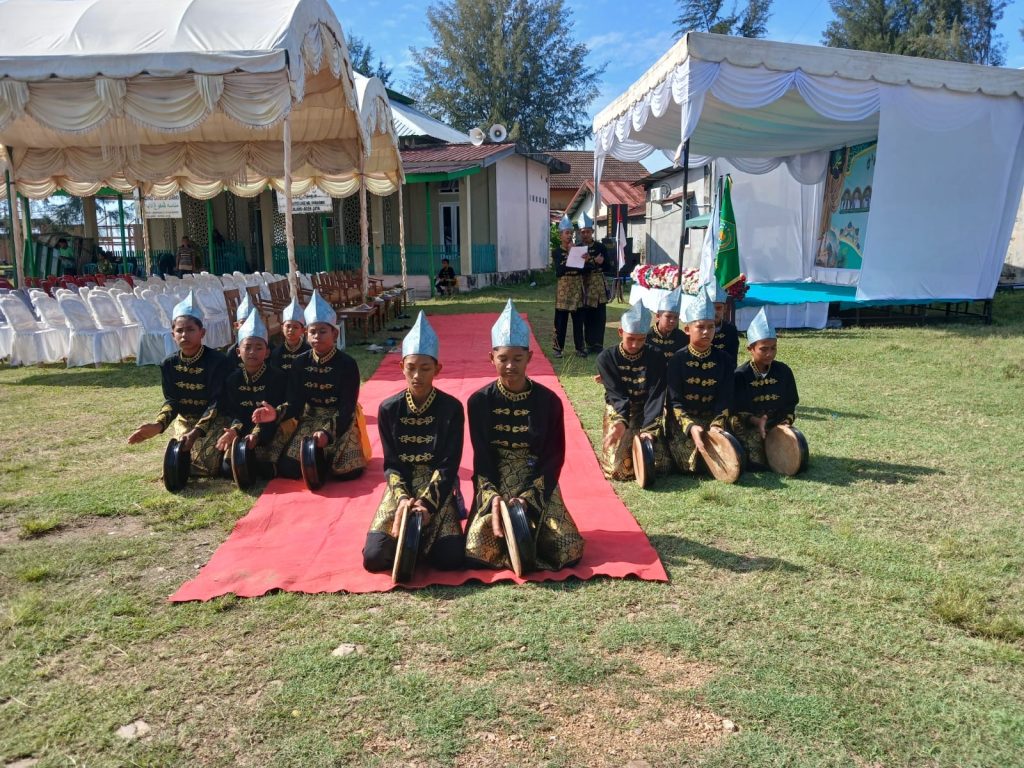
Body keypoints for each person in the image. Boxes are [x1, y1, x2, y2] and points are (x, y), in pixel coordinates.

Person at [465, 299, 585, 570]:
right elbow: (482, 456)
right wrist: (492, 496)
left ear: (529, 358)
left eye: (517, 359)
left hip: (537, 478)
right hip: (496, 479)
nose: (510, 365)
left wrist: (529, 497)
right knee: (477, 553)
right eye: (503, 359)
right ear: (491, 358)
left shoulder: (549, 401)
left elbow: (554, 457)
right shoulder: (479, 402)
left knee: (569, 550)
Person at [362, 312, 466, 573]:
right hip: (402, 488)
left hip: (437, 487)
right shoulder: (389, 409)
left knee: (451, 559)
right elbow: (391, 464)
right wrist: (402, 499)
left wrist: (427, 504)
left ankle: (420, 542)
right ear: (401, 367)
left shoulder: (451, 408)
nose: (417, 375)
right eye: (411, 367)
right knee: (374, 558)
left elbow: (448, 464)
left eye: (425, 368)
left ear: (437, 369)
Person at [127, 291, 231, 477]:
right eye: (179, 331)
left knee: (208, 465)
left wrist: (196, 432)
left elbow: (218, 402)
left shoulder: (218, 361)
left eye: (190, 330)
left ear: (202, 332)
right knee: (179, 458)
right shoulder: (169, 363)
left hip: (215, 420)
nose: (184, 335)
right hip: (185, 420)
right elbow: (172, 400)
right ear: (173, 334)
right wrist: (159, 425)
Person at [275, 290, 367, 481]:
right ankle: (319, 460)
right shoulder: (300, 363)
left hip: (340, 419)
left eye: (323, 331)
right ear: (306, 334)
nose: (317, 336)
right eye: (313, 332)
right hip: (310, 418)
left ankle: (322, 460)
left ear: (335, 333)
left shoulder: (347, 364)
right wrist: (275, 414)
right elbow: (295, 402)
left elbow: (347, 406)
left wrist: (327, 432)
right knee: (289, 468)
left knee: (349, 471)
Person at [596, 301, 671, 481]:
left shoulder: (656, 356)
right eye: (631, 338)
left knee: (661, 465)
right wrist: (621, 422)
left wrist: (649, 428)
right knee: (617, 470)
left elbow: (656, 394)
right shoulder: (606, 358)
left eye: (641, 339)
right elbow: (617, 395)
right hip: (619, 409)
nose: (636, 344)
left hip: (646, 409)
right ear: (620, 332)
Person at [665, 285, 734, 475]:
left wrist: (717, 424)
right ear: (688, 329)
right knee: (688, 465)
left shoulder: (724, 359)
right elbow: (674, 402)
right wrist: (690, 426)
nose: (706, 332)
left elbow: (726, 397)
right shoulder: (677, 360)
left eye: (710, 327)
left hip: (713, 419)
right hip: (685, 420)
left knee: (731, 454)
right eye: (700, 327)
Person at [216, 311, 290, 478]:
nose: (252, 352)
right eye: (247, 347)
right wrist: (234, 431)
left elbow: (279, 411)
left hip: (271, 429)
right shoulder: (233, 380)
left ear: (267, 352)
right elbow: (234, 412)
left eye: (258, 348)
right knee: (228, 469)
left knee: (269, 469)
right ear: (238, 352)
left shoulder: (277, 377)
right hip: (242, 428)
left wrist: (257, 435)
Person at [730, 308, 799, 470]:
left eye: (773, 348)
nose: (769, 353)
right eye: (764, 349)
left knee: (796, 456)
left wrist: (785, 423)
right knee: (756, 462)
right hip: (749, 426)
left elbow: (790, 403)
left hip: (777, 424)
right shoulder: (740, 375)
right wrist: (757, 421)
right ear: (750, 349)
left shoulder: (784, 371)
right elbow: (737, 411)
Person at [551, 215, 585, 358]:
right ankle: (558, 349)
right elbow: (559, 271)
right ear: (560, 235)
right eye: (567, 233)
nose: (569, 236)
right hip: (564, 290)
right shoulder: (557, 252)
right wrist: (572, 258)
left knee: (578, 320)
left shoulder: (579, 250)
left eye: (571, 233)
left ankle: (580, 348)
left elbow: (582, 269)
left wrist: (576, 257)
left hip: (576, 288)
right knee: (561, 321)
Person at [579, 212, 610, 353]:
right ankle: (589, 344)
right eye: (583, 232)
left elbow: (607, 266)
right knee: (587, 316)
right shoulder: (577, 248)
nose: (585, 234)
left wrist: (593, 263)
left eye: (588, 232)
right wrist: (594, 262)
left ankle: (598, 344)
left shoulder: (600, 247)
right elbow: (578, 267)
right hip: (584, 285)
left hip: (598, 286)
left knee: (600, 315)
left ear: (592, 232)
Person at [270, 297, 311, 374]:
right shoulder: (276, 352)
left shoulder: (309, 351)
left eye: (295, 327)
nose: (291, 330)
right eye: (288, 326)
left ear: (303, 330)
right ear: (282, 328)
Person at [646, 287, 687, 361]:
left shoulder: (682, 337)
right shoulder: (647, 336)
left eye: (676, 317)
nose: (672, 321)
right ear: (658, 316)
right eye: (668, 316)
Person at [711, 282, 740, 365]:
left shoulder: (731, 330)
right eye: (711, 308)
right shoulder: (699, 329)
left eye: (718, 308)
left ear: (725, 309)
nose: (715, 312)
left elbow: (733, 359)